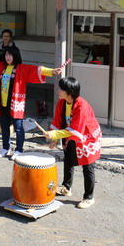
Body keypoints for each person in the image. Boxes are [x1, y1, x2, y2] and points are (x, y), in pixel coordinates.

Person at [0, 46, 61, 159]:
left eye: (10, 55)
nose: (8, 57)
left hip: (15, 104)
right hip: (2, 103)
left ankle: (18, 150)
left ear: (15, 56)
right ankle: (5, 148)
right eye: (6, 55)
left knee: (18, 127)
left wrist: (51, 71)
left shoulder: (21, 68)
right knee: (4, 127)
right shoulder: (1, 66)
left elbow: (36, 69)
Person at [44, 76, 102, 210]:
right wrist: (55, 139)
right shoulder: (62, 103)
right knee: (68, 159)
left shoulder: (81, 105)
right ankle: (66, 187)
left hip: (87, 137)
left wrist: (54, 134)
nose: (58, 91)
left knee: (88, 167)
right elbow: (58, 122)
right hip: (71, 134)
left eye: (61, 89)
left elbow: (76, 129)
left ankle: (89, 197)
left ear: (70, 91)